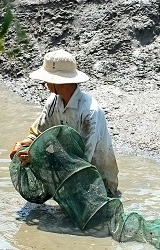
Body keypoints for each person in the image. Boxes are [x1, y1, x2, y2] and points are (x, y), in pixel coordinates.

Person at [9, 49, 121, 197]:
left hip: (98, 181)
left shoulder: (89, 113)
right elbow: (39, 134)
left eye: (47, 80)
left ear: (58, 82)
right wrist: (23, 145)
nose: (45, 83)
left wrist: (37, 157)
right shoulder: (53, 102)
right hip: (68, 172)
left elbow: (82, 164)